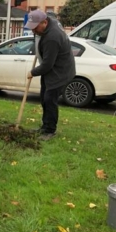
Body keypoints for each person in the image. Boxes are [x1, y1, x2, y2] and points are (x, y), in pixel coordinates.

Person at [25, 9, 76, 141]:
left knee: (50, 101)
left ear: (44, 22)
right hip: (52, 70)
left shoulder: (52, 37)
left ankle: (50, 131)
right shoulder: (48, 27)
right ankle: (45, 126)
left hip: (60, 72)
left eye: (35, 28)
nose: (33, 31)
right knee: (44, 98)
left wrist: (32, 72)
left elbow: (47, 65)